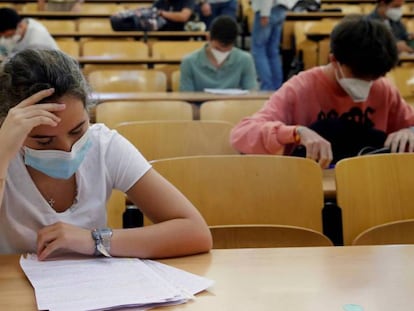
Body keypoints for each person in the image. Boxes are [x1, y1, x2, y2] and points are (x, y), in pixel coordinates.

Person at [0, 48, 212, 259]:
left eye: (77, 130)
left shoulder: (104, 145)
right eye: (44, 141)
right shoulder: (5, 151)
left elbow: (195, 232)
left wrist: (95, 240)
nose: (67, 150)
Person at [230, 15, 414, 169]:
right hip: (311, 189)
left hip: (368, 185)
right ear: (334, 60)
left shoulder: (384, 89)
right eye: (358, 74)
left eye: (373, 77)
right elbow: (242, 134)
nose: (366, 83)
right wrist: (296, 133)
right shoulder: (299, 88)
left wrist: (409, 131)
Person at [180, 16, 257, 91]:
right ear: (208, 38)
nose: (222, 52)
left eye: (227, 50)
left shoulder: (245, 60)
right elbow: (186, 100)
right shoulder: (189, 62)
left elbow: (251, 94)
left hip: (233, 103)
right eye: (217, 49)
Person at [250, 0, 289, 91]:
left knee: (258, 49)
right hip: (281, 8)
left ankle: (266, 88)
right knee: (272, 51)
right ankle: (277, 87)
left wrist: (264, 13)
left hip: (268, 9)